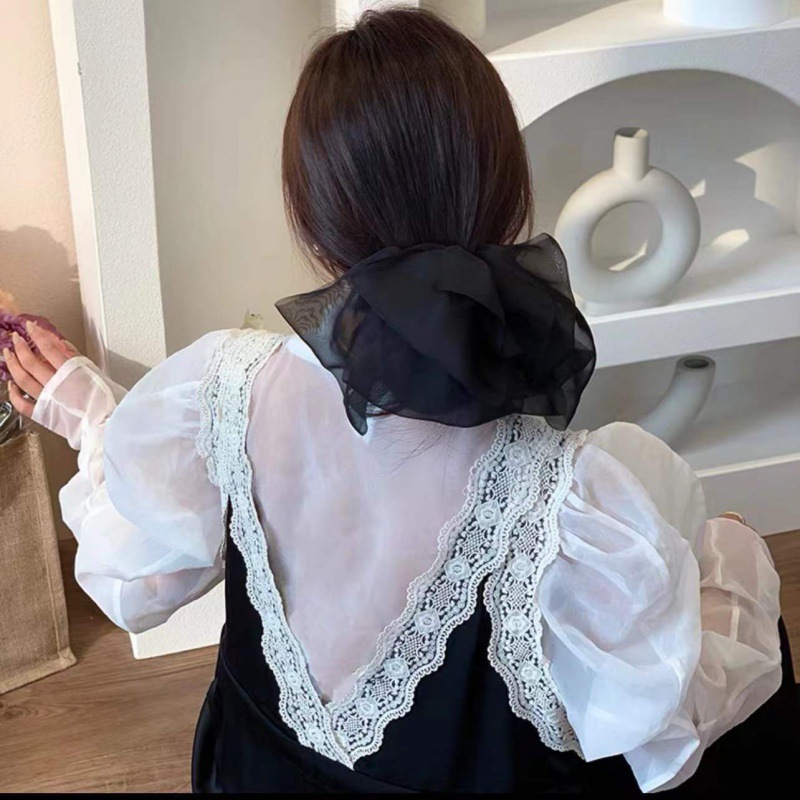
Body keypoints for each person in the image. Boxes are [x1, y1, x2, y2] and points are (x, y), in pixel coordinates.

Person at [4, 8, 798, 795]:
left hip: (251, 773)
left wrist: (93, 417)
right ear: (510, 198)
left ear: (311, 219)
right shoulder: (574, 499)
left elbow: (138, 589)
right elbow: (668, 732)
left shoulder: (220, 391)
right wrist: (737, 562)